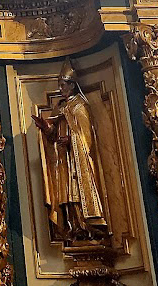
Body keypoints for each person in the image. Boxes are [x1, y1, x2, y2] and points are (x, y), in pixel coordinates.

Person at [34, 63, 110, 242]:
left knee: (77, 191)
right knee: (66, 194)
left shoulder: (79, 106)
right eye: (59, 85)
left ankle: (86, 225)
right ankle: (73, 226)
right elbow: (53, 133)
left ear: (72, 85)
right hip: (63, 159)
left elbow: (87, 136)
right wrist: (46, 127)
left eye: (63, 85)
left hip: (77, 158)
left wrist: (72, 140)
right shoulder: (60, 107)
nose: (60, 89)